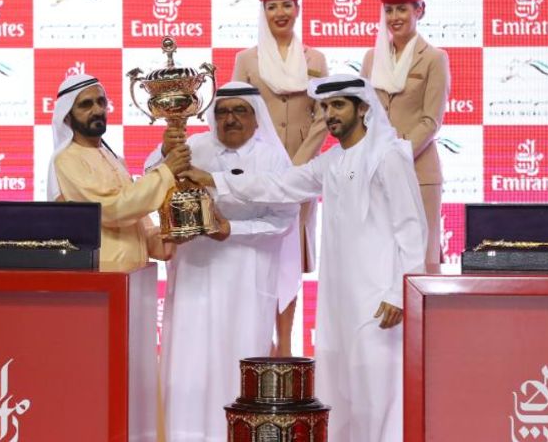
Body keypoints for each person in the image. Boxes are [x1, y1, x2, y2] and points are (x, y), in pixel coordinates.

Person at [181, 74, 427, 442]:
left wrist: (398, 292)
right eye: (326, 107)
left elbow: (412, 227)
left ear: (363, 109)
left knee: (380, 390)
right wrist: (214, 179)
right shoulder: (331, 162)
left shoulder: (389, 155)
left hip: (380, 298)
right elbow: (279, 185)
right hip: (341, 298)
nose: (331, 114)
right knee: (341, 387)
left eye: (339, 105)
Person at [146, 82, 301, 442]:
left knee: (238, 358)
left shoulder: (273, 158)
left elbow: (283, 220)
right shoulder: (193, 147)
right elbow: (152, 181)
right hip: (194, 277)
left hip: (247, 278)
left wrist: (233, 229)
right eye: (221, 112)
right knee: (189, 360)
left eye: (239, 111)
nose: (229, 119)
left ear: (255, 116)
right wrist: (165, 149)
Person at [232, 0, 330, 356]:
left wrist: (300, 165)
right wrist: (265, 163)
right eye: (273, 6)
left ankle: (286, 345)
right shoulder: (247, 59)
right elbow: (235, 113)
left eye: (287, 5)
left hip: (301, 174)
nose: (280, 13)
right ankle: (260, 341)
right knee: (260, 255)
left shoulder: (314, 59)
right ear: (263, 12)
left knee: (290, 257)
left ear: (298, 10)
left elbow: (324, 115)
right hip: (259, 173)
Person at [47, 73, 191, 269]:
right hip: (100, 280)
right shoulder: (66, 160)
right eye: (86, 105)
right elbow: (112, 209)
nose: (97, 110)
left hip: (133, 278)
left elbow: (139, 223)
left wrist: (170, 236)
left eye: (101, 102)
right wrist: (166, 170)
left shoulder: (113, 158)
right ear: (67, 116)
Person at [360, 0, 450, 266]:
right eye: (389, 10)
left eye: (402, 9)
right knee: (379, 258)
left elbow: (431, 120)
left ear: (419, 11)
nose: (395, 17)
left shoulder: (434, 58)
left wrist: (396, 154)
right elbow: (364, 113)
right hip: (375, 170)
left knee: (421, 259)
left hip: (418, 169)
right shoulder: (371, 57)